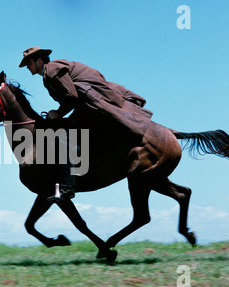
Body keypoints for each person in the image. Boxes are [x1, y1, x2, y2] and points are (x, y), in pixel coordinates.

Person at [19, 46, 153, 202]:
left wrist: (58, 113)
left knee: (63, 138)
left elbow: (71, 96)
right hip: (86, 104)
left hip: (93, 105)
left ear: (39, 61)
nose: (27, 68)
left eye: (28, 63)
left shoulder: (52, 70)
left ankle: (68, 187)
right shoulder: (48, 73)